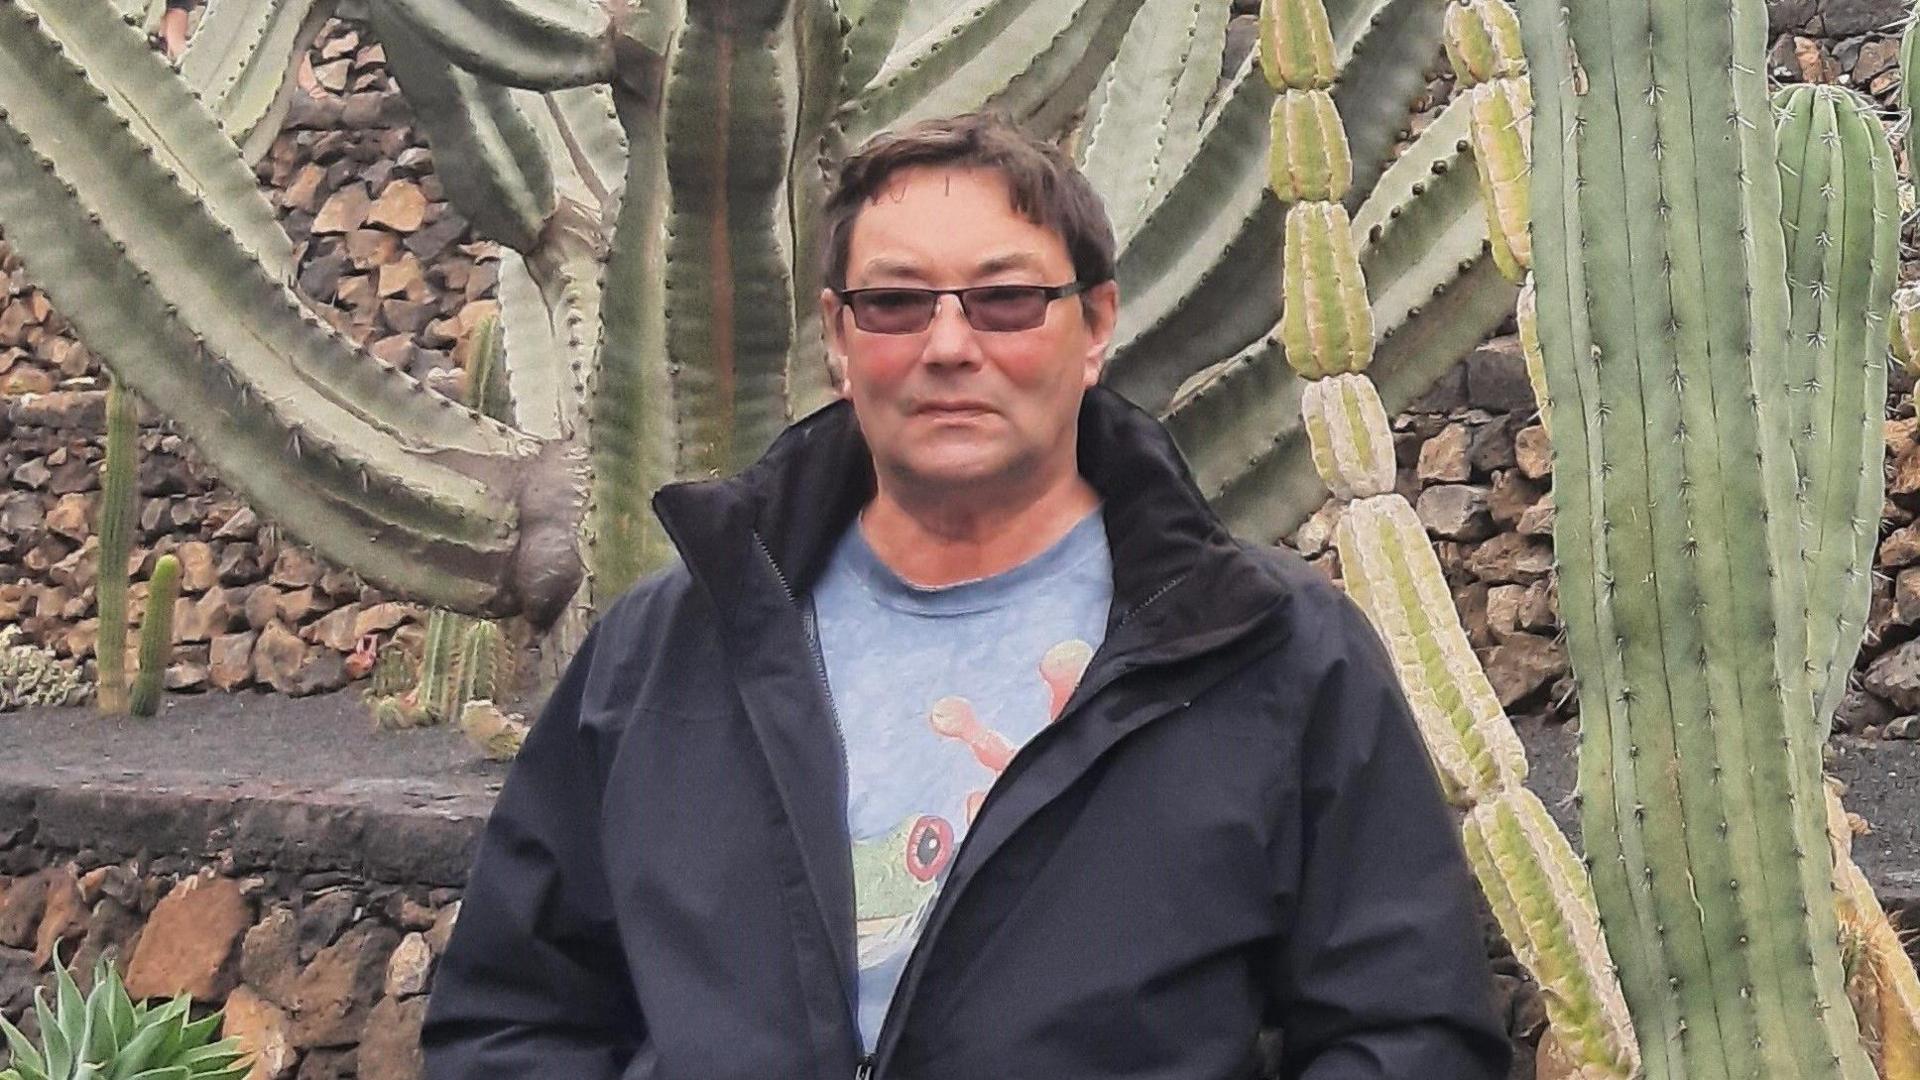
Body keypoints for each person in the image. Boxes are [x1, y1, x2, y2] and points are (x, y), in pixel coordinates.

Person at [421, 111, 1511, 1079]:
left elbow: (1406, 1031)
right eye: (895, 304)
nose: (949, 345)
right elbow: (517, 1013)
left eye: (1006, 300)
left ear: (1094, 329)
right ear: (841, 340)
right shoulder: (669, 648)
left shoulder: (1266, 651)